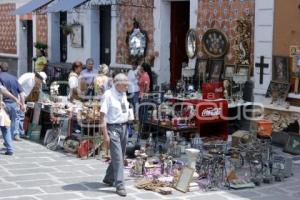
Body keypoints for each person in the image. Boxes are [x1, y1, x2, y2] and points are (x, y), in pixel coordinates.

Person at [100, 73, 130, 197]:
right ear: (118, 84)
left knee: (120, 156)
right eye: (125, 84)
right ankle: (120, 185)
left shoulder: (123, 94)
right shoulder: (108, 95)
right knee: (118, 158)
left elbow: (125, 108)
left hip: (124, 126)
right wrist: (105, 135)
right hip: (113, 128)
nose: (127, 86)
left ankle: (108, 177)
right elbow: (102, 117)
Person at [0, 63, 26, 142]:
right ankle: (15, 135)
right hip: (14, 104)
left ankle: (7, 140)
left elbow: (2, 90)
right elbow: (21, 92)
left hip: (3, 103)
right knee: (15, 120)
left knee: (4, 122)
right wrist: (23, 104)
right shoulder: (14, 78)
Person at [17, 72, 47, 139]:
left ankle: (20, 133)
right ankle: (17, 133)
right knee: (18, 116)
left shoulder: (35, 81)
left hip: (23, 98)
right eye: (41, 81)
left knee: (21, 115)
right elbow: (18, 83)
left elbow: (38, 91)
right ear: (38, 78)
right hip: (18, 97)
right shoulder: (28, 76)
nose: (41, 83)